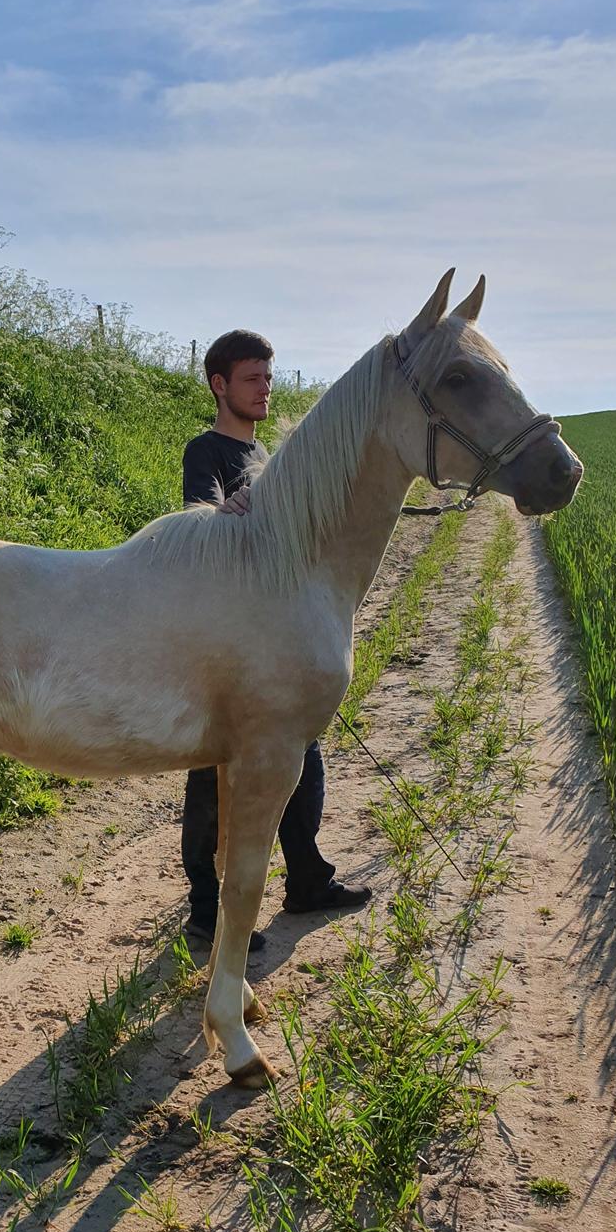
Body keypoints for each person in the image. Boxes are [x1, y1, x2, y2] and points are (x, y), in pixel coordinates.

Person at [181, 328, 372, 950]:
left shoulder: (278, 461)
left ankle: (307, 878)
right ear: (219, 384)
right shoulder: (205, 451)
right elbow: (196, 521)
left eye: (268, 375)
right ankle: (205, 910)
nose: (265, 387)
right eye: (251, 378)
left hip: (281, 643)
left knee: (301, 766)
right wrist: (224, 509)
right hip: (226, 645)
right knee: (212, 776)